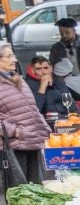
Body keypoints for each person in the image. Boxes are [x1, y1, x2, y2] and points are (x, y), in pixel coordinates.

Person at [0, 43, 49, 182]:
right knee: (20, 192)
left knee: (35, 189)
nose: (14, 60)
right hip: (14, 146)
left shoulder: (18, 79)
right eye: (9, 56)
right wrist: (15, 132)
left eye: (13, 56)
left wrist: (43, 126)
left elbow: (32, 108)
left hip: (32, 141)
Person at [49, 16, 80, 105]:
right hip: (66, 86)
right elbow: (52, 68)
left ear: (74, 31)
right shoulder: (56, 48)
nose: (64, 35)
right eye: (61, 33)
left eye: (67, 33)